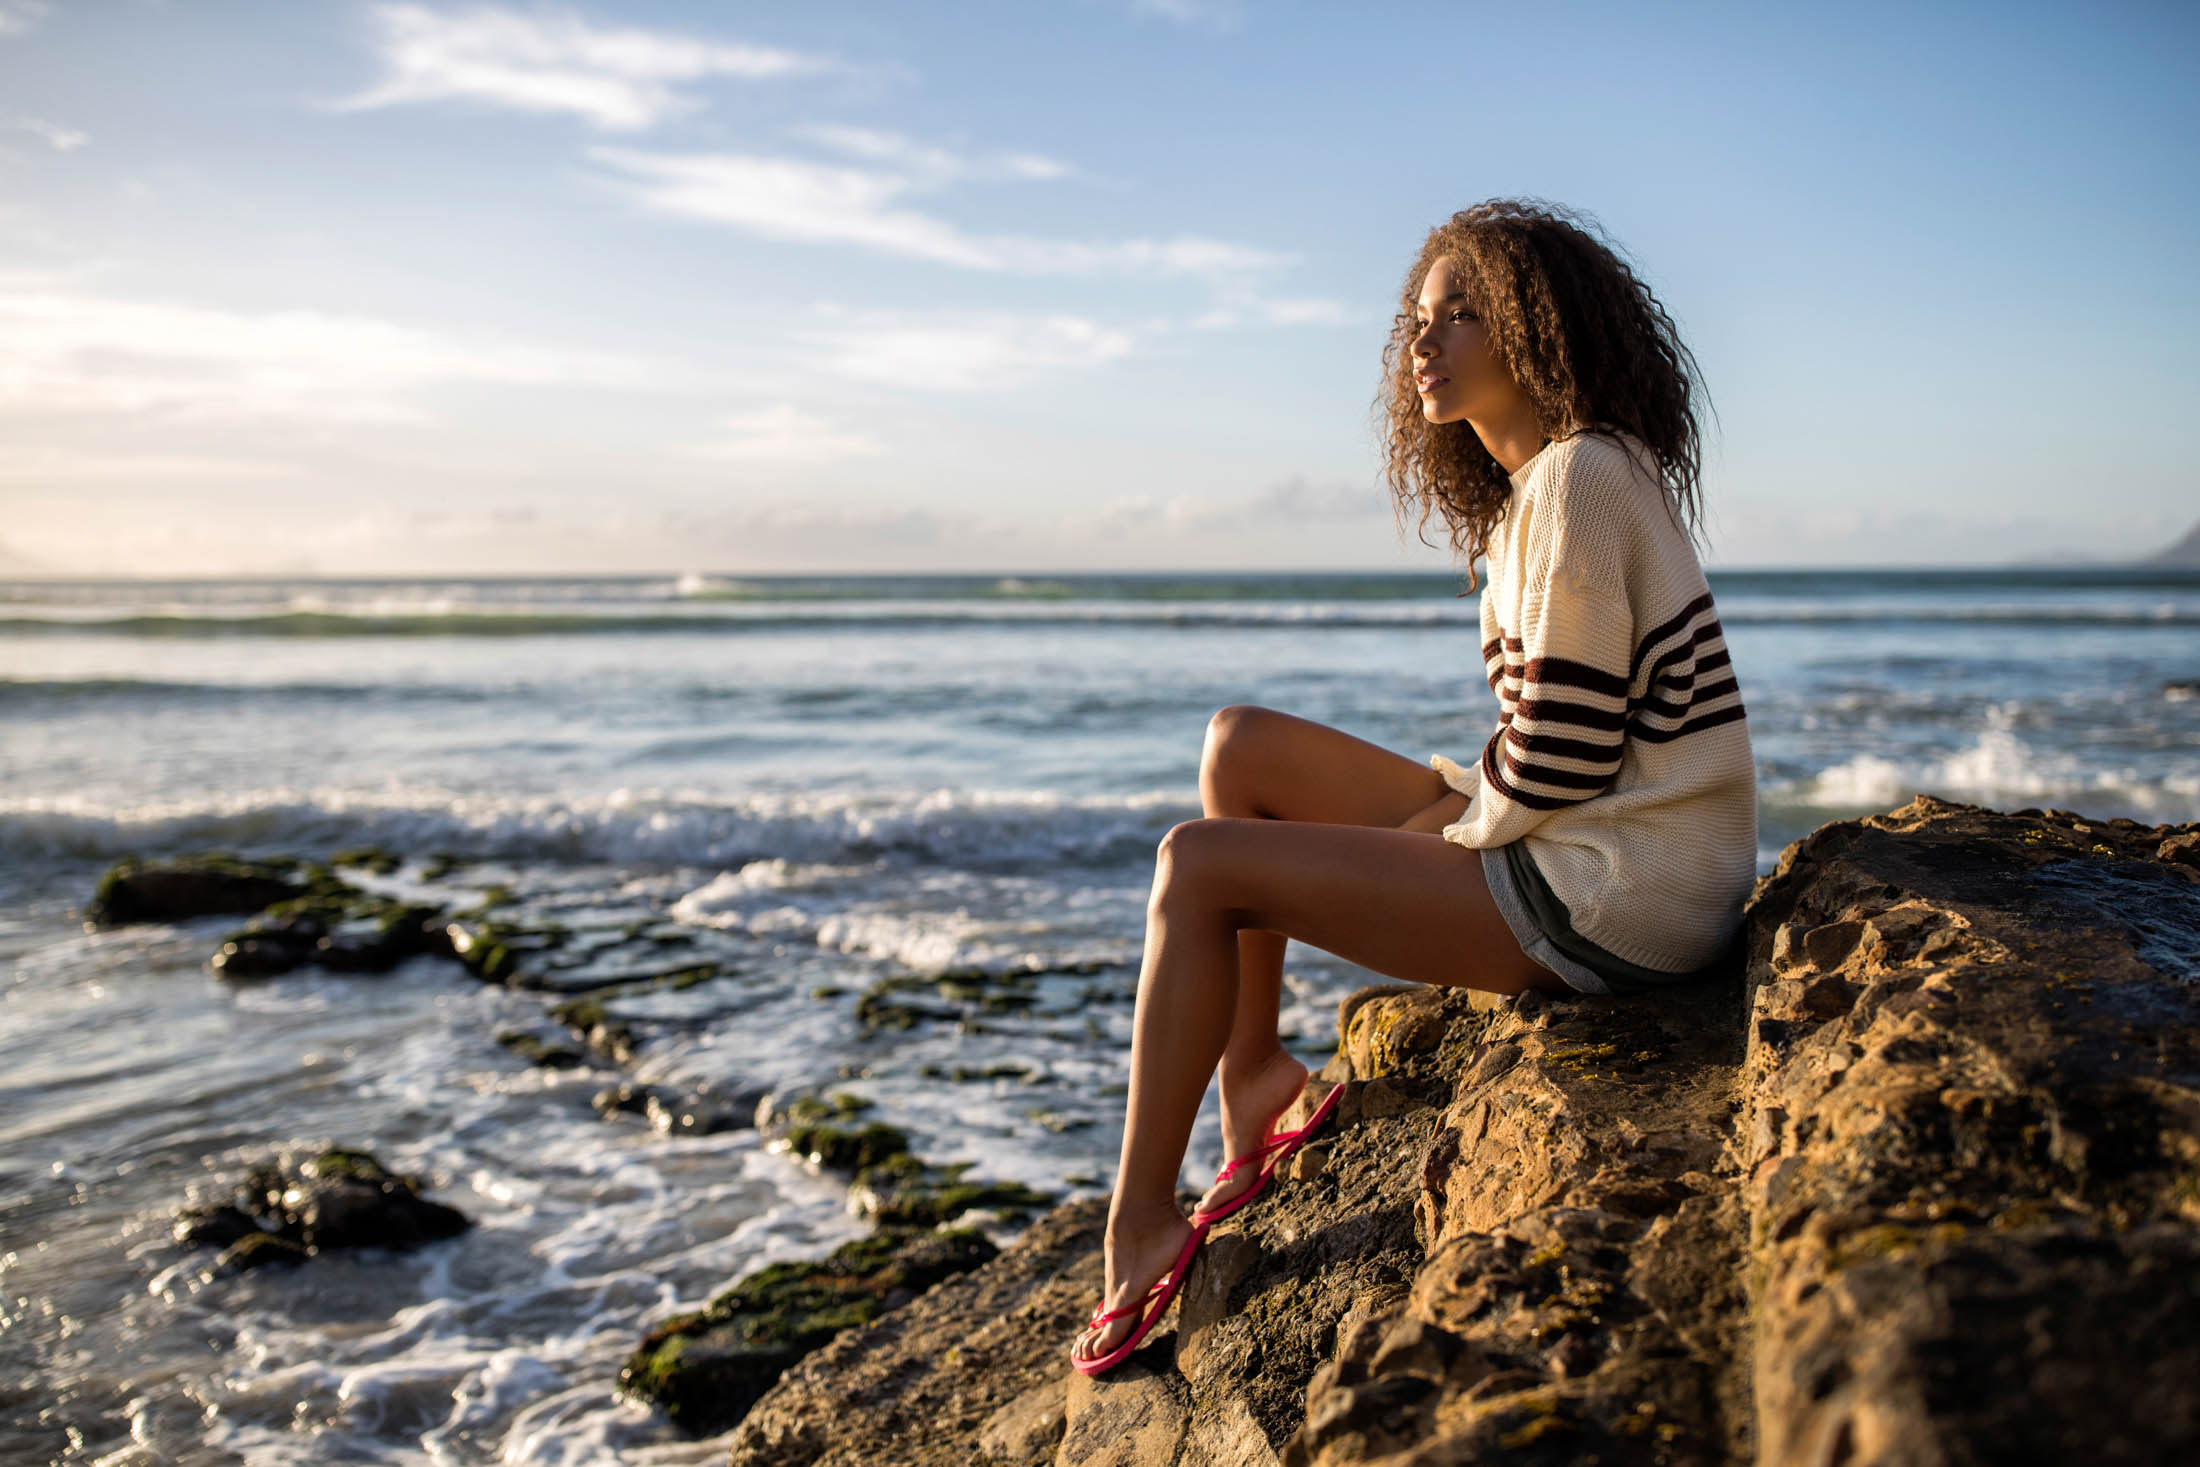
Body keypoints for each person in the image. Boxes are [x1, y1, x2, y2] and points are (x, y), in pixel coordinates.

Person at [1068, 199, 1758, 1375]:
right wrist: (1462, 810)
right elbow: (1559, 741)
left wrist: (1456, 819)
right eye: (1415, 320)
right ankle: (1255, 1081)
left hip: (1617, 894)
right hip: (1591, 845)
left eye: (1462, 316)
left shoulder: (1580, 479)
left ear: (1539, 330)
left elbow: (1569, 753)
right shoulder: (1544, 489)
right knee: (1239, 744)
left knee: (1199, 867)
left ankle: (1136, 1228)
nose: (1421, 344)